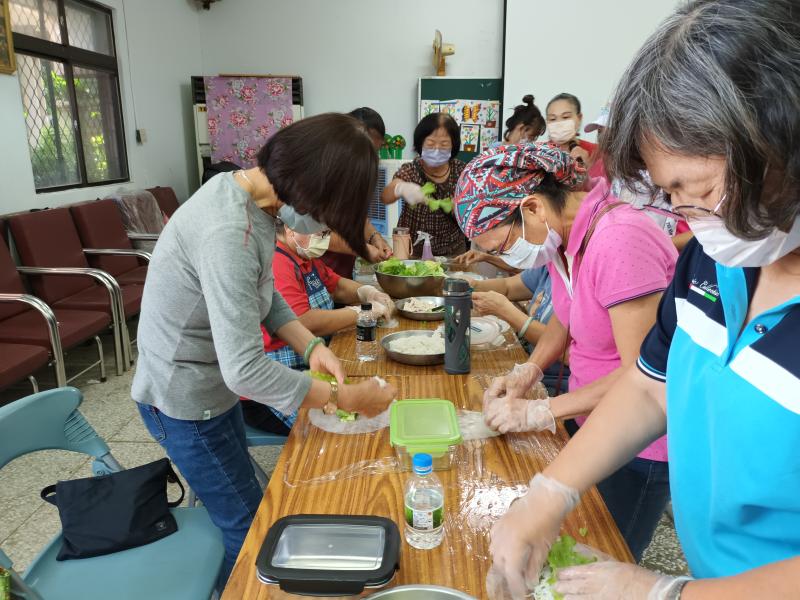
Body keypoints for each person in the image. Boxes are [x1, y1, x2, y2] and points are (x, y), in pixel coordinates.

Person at [488, 1, 800, 598]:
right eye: (670, 193)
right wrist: (552, 489)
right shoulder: (713, 258)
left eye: (701, 189)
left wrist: (664, 593)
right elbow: (651, 383)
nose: (686, 217)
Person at [132, 113, 397, 587]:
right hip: (184, 399)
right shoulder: (228, 231)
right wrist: (345, 399)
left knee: (251, 499)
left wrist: (310, 343)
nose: (325, 224)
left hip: (211, 386)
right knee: (250, 527)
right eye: (331, 209)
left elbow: (264, 294)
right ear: (311, 189)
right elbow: (245, 371)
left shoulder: (248, 201)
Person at [453, 143, 678, 562]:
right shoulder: (566, 240)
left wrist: (542, 411)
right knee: (571, 537)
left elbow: (643, 376)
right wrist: (528, 371)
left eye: (501, 246)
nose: (504, 258)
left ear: (533, 208)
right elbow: (564, 317)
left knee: (601, 554)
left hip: (638, 443)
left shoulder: (618, 240)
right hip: (589, 415)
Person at [241, 221, 395, 434]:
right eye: (320, 232)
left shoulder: (304, 257)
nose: (324, 238)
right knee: (346, 433)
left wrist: (368, 293)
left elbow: (337, 285)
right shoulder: (277, 261)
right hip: (272, 388)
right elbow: (303, 320)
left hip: (311, 368)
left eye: (327, 232)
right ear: (290, 228)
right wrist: (360, 313)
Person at [586, 106, 695, 252]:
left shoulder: (668, 173)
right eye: (600, 133)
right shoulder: (619, 175)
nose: (605, 142)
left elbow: (702, 231)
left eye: (611, 135)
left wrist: (657, 246)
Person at [381, 112, 467, 256]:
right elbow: (385, 197)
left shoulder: (462, 171)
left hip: (453, 253)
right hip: (412, 252)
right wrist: (400, 188)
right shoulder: (411, 169)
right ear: (420, 143)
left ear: (454, 145)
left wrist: (461, 207)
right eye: (431, 144)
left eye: (444, 144)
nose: (437, 150)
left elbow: (476, 206)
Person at [322, 107, 393, 278]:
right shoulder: (324, 172)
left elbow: (357, 217)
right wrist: (361, 248)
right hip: (315, 271)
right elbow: (313, 236)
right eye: (365, 150)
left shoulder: (356, 174)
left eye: (375, 152)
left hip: (341, 273)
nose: (370, 158)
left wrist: (375, 237)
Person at [546, 93, 597, 168]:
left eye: (565, 117)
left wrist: (588, 166)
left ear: (579, 118)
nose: (559, 123)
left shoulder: (596, 152)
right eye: (552, 119)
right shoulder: (535, 153)